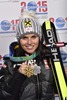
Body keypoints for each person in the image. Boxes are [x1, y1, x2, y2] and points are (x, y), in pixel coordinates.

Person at [0, 11, 55, 100]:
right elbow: (3, 96)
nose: (29, 42)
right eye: (24, 37)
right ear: (18, 39)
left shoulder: (49, 59)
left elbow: (57, 90)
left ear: (39, 38)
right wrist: (18, 75)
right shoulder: (10, 64)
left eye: (34, 37)